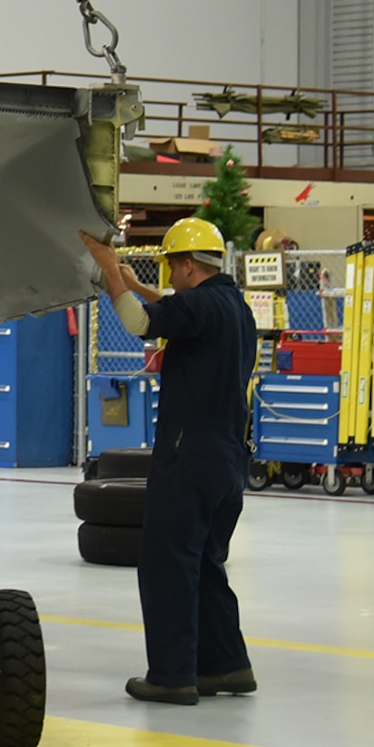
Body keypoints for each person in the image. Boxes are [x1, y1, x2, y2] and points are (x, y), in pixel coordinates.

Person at [79, 218, 256, 706]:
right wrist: (136, 285)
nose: (171, 277)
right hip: (227, 462)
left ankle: (173, 676)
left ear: (185, 265)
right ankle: (227, 665)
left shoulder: (199, 305)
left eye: (171, 268)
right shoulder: (235, 308)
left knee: (167, 564)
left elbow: (141, 324)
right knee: (205, 564)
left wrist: (111, 272)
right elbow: (175, 311)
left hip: (188, 459)